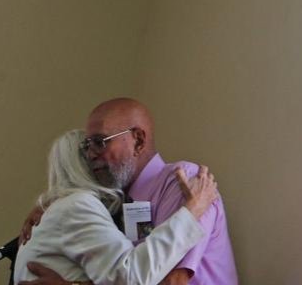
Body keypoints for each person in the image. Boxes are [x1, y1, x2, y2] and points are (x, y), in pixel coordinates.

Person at [21, 99, 237, 285]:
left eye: (99, 142)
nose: (90, 154)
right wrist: (53, 210)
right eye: (86, 146)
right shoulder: (114, 202)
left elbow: (171, 281)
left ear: (138, 140)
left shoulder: (185, 181)